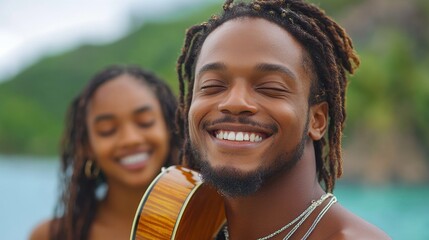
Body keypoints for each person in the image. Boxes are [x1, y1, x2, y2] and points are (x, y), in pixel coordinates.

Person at [175, 0, 391, 239]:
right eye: (212, 85)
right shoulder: (182, 227)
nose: (234, 102)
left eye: (270, 87)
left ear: (317, 120)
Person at [29, 65, 180, 240]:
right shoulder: (55, 235)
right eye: (107, 130)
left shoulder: (210, 221)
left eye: (145, 122)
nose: (130, 139)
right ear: (87, 146)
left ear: (171, 127)